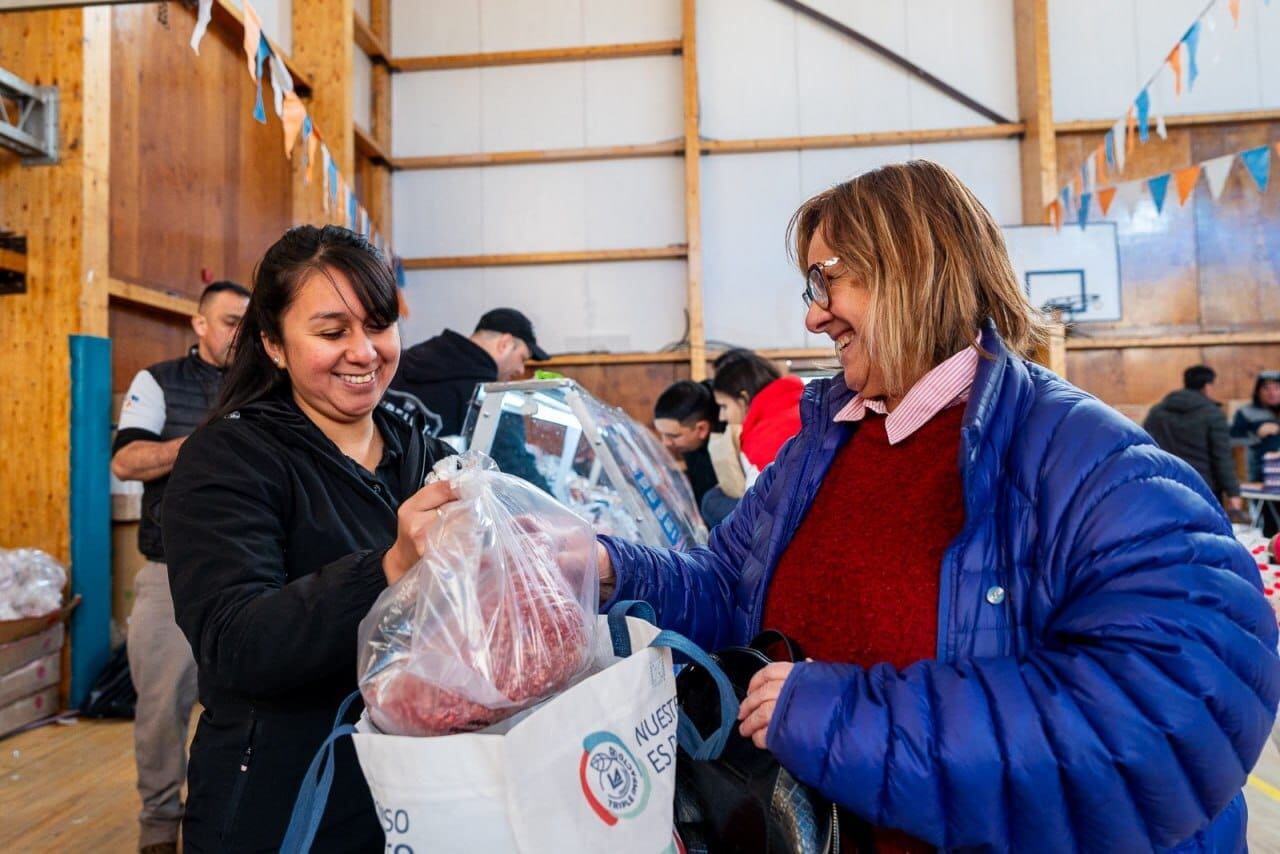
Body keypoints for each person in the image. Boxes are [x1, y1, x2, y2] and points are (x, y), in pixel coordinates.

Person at [594, 161, 1278, 851]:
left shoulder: (1087, 461)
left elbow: (1162, 721)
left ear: (910, 268)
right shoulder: (822, 445)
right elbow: (724, 584)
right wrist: (606, 568)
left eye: (825, 279)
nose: (812, 313)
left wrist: (837, 718)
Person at [162, 226, 457, 852]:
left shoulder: (427, 454)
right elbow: (235, 641)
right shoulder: (228, 459)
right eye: (332, 332)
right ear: (273, 343)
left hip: (416, 791)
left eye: (378, 325)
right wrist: (389, 568)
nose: (365, 351)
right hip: (287, 798)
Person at [110, 279, 250, 854]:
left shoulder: (270, 381)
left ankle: (231, 821)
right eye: (229, 320)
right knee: (163, 709)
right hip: (170, 572)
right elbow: (127, 459)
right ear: (199, 324)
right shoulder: (159, 381)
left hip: (252, 572)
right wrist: (202, 444)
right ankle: (159, 830)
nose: (239, 333)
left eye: (249, 322)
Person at [387, 308, 551, 490]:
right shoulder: (488, 396)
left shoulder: (403, 359)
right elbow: (516, 467)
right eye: (522, 358)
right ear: (505, 344)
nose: (521, 369)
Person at [1144, 365, 1244, 514]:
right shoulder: (1212, 414)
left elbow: (1147, 448)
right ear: (1207, 386)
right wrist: (1233, 493)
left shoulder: (1156, 412)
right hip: (1202, 487)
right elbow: (1222, 458)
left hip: (1165, 484)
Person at [711, 348, 803, 487]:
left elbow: (758, 505)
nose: (721, 417)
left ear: (743, 399)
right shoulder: (799, 405)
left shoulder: (761, 440)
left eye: (724, 406)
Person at [652, 380, 721, 509]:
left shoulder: (727, 443)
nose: (665, 443)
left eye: (673, 436)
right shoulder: (691, 445)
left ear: (701, 429)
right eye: (662, 434)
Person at [1231, 369, 1280, 481]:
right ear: (1258, 391)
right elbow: (1232, 440)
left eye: (1277, 388)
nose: (1272, 393)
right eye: (1266, 388)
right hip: (1259, 475)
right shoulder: (1246, 412)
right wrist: (1256, 435)